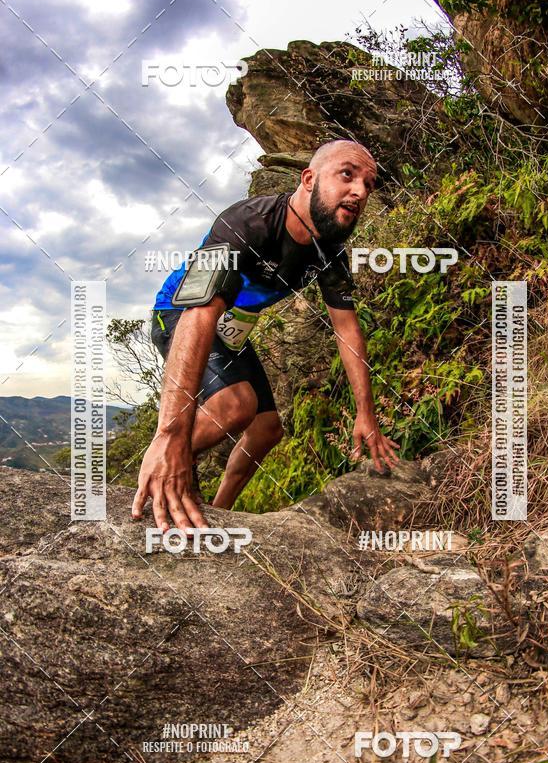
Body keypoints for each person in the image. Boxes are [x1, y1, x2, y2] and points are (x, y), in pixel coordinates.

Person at [132, 139, 399, 532]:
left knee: (267, 429)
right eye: (347, 174)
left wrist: (366, 413)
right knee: (235, 405)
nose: (360, 191)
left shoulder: (330, 251)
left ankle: (219, 513)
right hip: (180, 311)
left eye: (369, 184)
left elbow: (346, 330)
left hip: (231, 325)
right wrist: (170, 432)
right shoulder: (245, 223)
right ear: (308, 178)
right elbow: (200, 311)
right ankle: (160, 464)